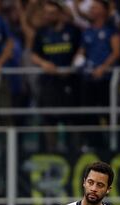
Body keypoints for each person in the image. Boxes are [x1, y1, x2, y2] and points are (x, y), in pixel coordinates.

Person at [30, 0, 81, 148]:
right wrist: (43, 64)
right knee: (49, 119)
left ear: (59, 13)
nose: (48, 16)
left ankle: (73, 151)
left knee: (72, 119)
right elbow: (34, 54)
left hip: (70, 80)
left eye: (52, 13)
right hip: (49, 81)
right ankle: (51, 152)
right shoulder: (41, 32)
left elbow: (81, 50)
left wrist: (72, 67)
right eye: (46, 13)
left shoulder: (72, 30)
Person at [76, 0, 120, 150]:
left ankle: (118, 144)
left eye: (95, 7)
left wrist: (103, 68)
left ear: (103, 10)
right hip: (89, 78)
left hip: (106, 79)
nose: (91, 10)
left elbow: (116, 52)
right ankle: (95, 143)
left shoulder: (111, 30)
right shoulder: (87, 31)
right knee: (89, 112)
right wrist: (77, 62)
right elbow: (81, 52)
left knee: (109, 112)